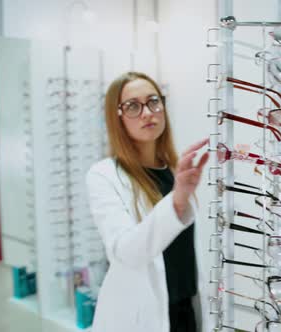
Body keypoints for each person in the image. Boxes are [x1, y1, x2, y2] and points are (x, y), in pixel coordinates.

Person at [86, 72, 209, 332]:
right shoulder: (104, 176)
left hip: (185, 312)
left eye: (153, 101)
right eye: (132, 106)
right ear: (116, 117)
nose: (147, 112)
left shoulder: (176, 171)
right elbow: (126, 252)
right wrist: (176, 202)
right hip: (142, 318)